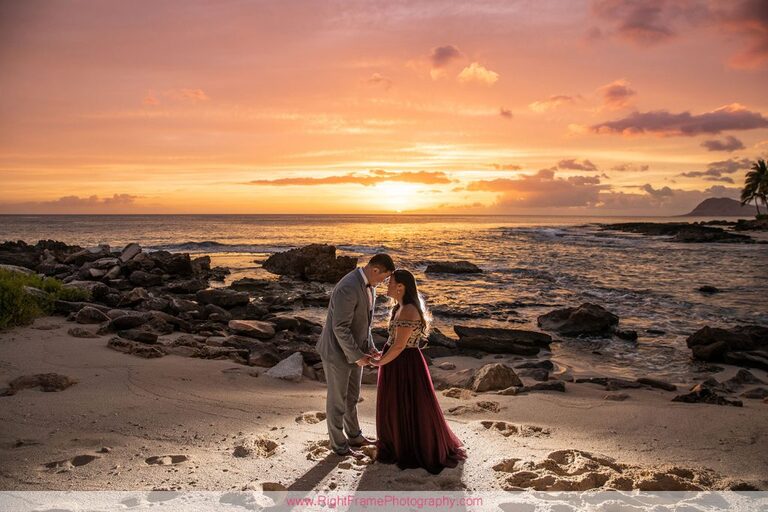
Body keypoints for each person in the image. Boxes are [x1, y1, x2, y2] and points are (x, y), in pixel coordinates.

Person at [370, 268, 467, 474]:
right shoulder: (399, 307)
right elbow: (392, 342)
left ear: (401, 287)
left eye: (390, 282)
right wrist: (379, 355)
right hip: (396, 361)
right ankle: (397, 445)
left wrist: (379, 362)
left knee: (408, 404)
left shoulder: (409, 310)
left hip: (405, 364)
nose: (386, 285)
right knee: (395, 404)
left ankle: (409, 448)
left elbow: (399, 346)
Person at [316, 253, 395, 456]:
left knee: (352, 397)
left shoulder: (370, 287)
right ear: (375, 270)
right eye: (384, 277)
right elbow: (340, 327)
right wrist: (357, 355)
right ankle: (339, 445)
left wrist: (368, 348)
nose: (384, 282)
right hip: (336, 352)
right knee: (337, 400)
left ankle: (354, 435)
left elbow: (364, 324)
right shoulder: (348, 287)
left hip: (355, 351)